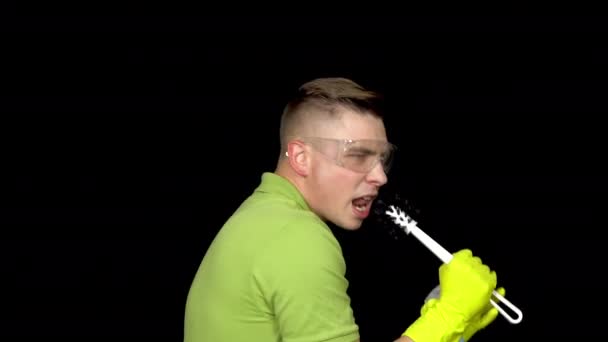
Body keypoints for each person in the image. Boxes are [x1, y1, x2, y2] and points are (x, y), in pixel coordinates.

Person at [184, 77, 502, 342]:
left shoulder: (259, 218)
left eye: (382, 159)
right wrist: (446, 318)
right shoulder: (296, 237)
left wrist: (451, 327)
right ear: (300, 158)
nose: (380, 176)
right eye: (359, 155)